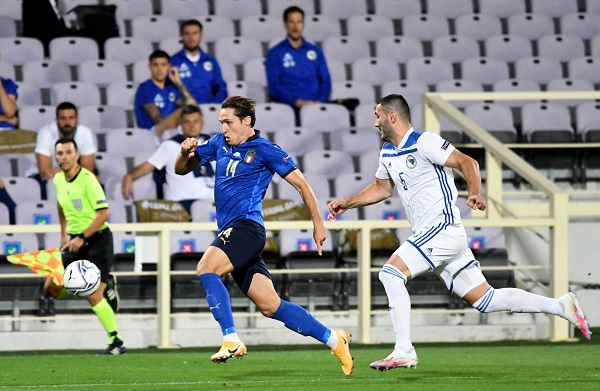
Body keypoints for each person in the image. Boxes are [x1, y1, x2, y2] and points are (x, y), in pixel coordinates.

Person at [327, 94, 592, 371]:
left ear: (392, 117)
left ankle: (403, 350)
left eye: (378, 116)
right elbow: (382, 188)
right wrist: (348, 201)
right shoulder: (388, 152)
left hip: (441, 229)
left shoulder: (425, 142)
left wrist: (475, 192)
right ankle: (562, 306)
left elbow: (469, 163)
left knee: (390, 273)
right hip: (437, 238)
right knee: (486, 300)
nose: (375, 122)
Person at [174, 96, 353, 375]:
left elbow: (303, 186)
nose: (224, 128)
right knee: (270, 306)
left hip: (247, 228)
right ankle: (334, 338)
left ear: (247, 122)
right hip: (233, 232)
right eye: (221, 122)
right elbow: (180, 169)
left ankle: (231, 338)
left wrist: (318, 223)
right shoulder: (219, 143)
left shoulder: (266, 150)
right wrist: (184, 152)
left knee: (206, 267)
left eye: (229, 122)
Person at [44, 136, 125, 354]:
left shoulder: (88, 179)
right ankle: (106, 283)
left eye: (68, 152)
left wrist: (81, 236)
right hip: (73, 241)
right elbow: (61, 205)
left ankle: (116, 341)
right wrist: (64, 234)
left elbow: (104, 214)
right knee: (51, 288)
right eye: (59, 153)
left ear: (77, 155)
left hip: (97, 240)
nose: (63, 157)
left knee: (92, 294)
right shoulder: (58, 179)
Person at [122, 105, 214, 214]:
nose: (191, 126)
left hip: (214, 202)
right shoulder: (170, 145)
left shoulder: (211, 143)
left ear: (202, 123)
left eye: (195, 122)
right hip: (185, 204)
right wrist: (130, 176)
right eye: (187, 122)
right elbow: (148, 166)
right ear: (180, 124)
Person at [265, 6, 331, 113]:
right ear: (285, 24)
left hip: (315, 107)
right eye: (291, 22)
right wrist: (296, 101)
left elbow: (325, 80)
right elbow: (274, 86)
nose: (295, 26)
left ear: (303, 24)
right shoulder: (274, 53)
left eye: (299, 22)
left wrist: (320, 101)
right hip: (288, 108)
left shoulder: (316, 52)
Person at [26, 102, 96, 199]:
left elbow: (88, 170)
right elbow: (45, 172)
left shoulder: (85, 133)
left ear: (77, 120)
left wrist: (61, 172)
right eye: (63, 118)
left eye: (71, 118)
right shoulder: (46, 133)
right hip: (40, 178)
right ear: (56, 120)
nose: (67, 123)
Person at [133, 50, 197, 140]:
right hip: (153, 133)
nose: (159, 69)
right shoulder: (145, 88)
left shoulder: (171, 86)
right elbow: (157, 120)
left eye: (163, 65)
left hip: (174, 130)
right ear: (149, 66)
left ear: (169, 66)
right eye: (155, 65)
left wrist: (178, 82)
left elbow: (192, 105)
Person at [170, 19, 228, 104]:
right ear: (182, 36)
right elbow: (169, 88)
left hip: (209, 109)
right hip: (185, 110)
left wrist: (215, 105)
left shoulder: (210, 60)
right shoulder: (174, 61)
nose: (191, 38)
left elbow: (220, 87)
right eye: (187, 34)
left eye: (195, 33)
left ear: (200, 35)